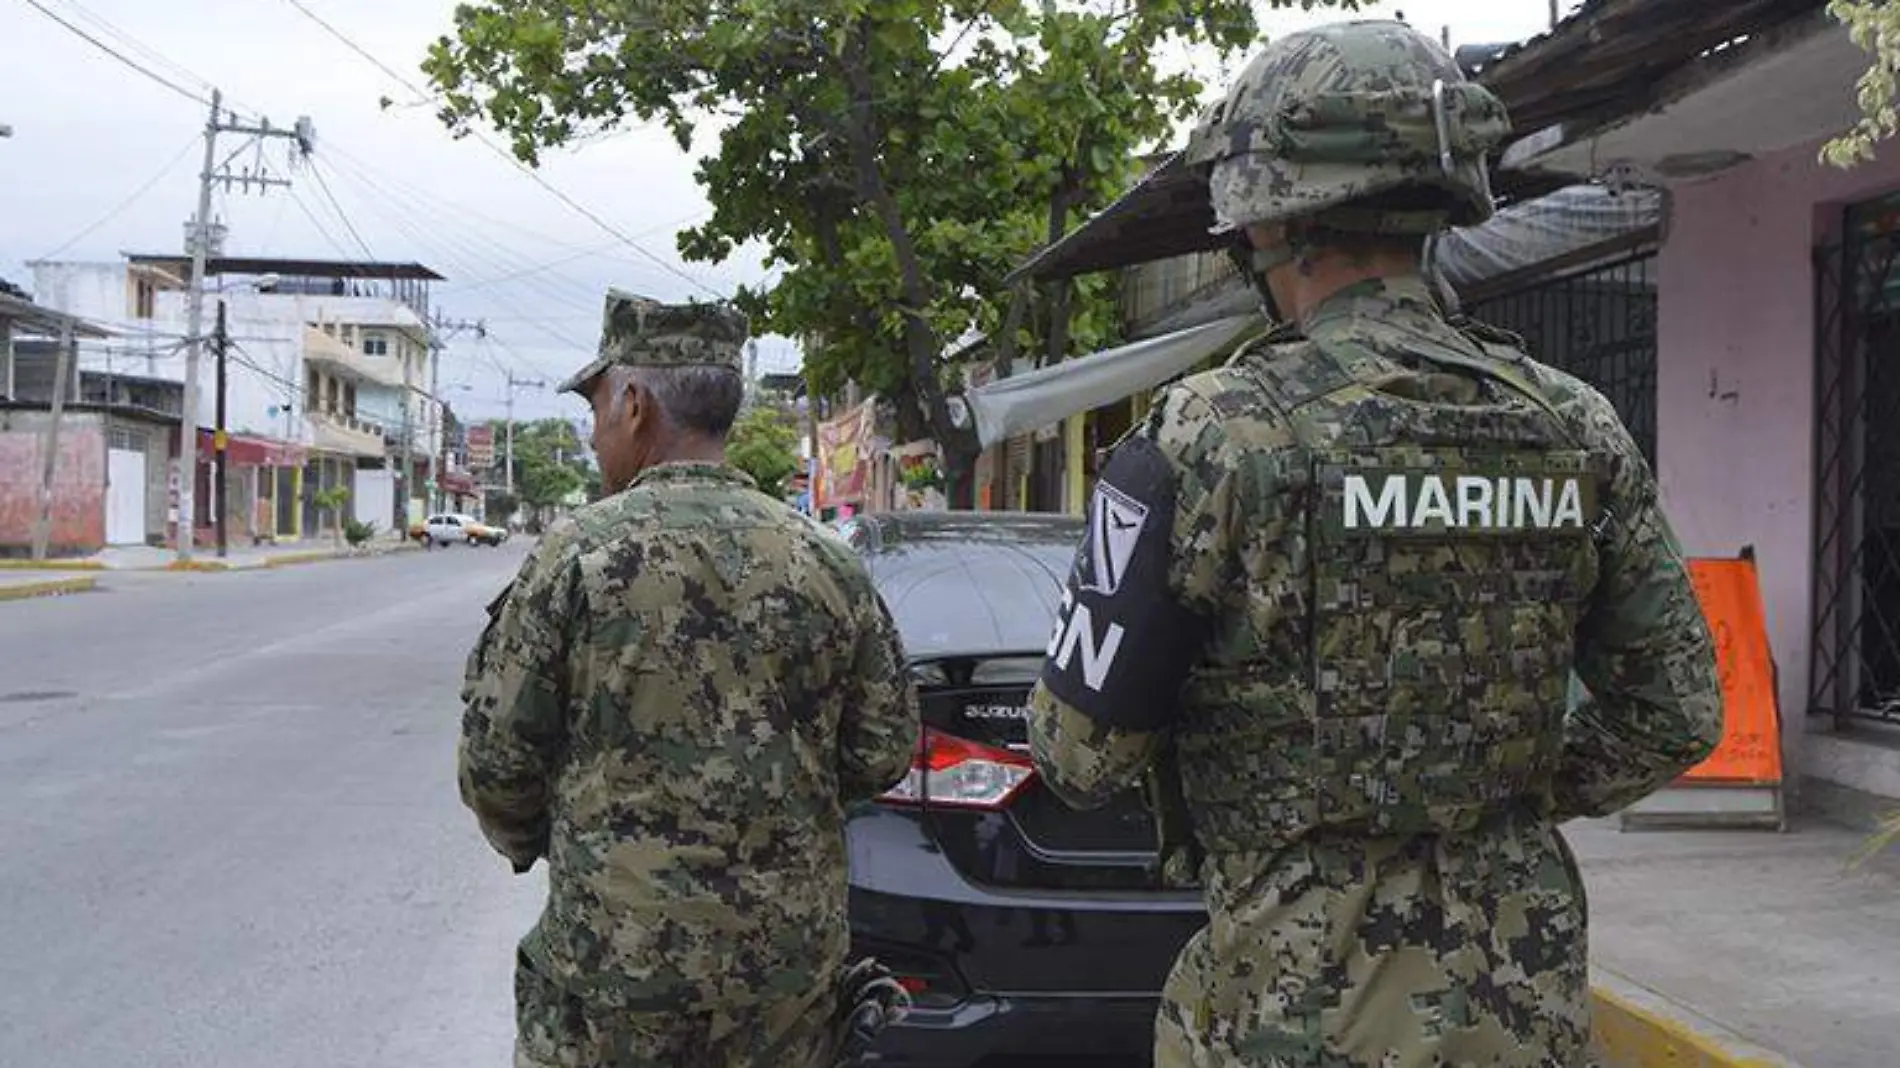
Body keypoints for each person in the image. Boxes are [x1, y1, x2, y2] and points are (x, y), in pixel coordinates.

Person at [1025, 19, 1723, 1068]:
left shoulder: (1213, 432)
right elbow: (1675, 712)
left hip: (1297, 1003)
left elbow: (1078, 754)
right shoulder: (1573, 422)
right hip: (1522, 997)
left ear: (1267, 222)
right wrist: (1501, 794)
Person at [459, 289, 921, 1068]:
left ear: (634, 404)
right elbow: (882, 750)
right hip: (782, 981)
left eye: (599, 405)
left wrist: (576, 841)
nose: (597, 428)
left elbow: (499, 769)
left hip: (612, 978)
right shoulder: (827, 563)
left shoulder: (574, 559)